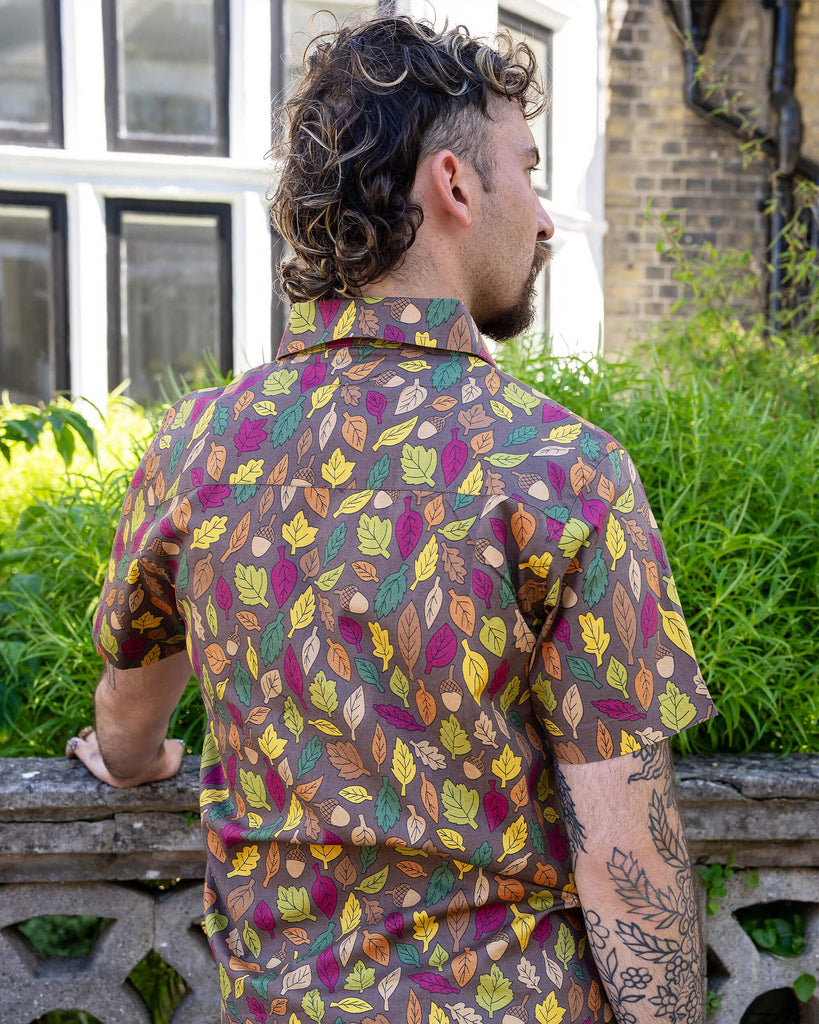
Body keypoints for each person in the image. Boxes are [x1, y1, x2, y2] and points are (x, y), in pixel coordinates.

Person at [67, 15, 716, 1024]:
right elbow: (629, 855)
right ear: (456, 185)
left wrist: (131, 761)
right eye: (530, 173)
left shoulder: (198, 449)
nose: (545, 218)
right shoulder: (564, 472)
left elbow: (128, 719)